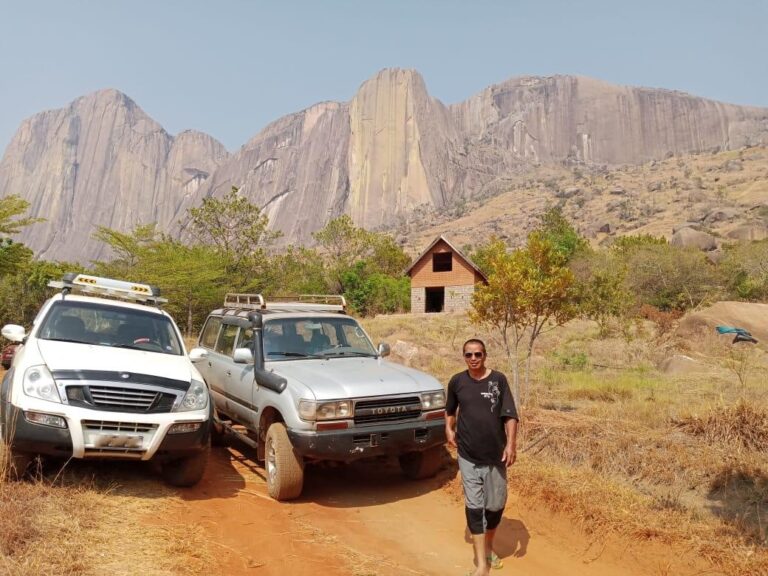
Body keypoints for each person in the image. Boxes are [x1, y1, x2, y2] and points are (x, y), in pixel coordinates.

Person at [445, 339, 518, 576]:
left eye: (478, 354)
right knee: (475, 508)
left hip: (496, 456)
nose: (473, 358)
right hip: (467, 455)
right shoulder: (457, 381)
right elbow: (450, 410)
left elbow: (510, 416)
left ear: (485, 355)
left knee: (494, 506)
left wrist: (511, 445)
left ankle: (488, 547)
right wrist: (449, 429)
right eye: (469, 355)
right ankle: (481, 565)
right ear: (463, 356)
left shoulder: (498, 380)